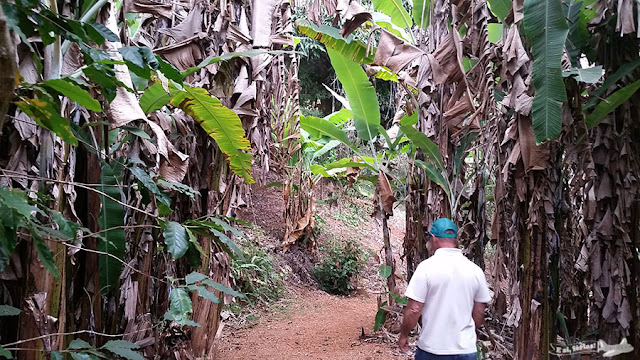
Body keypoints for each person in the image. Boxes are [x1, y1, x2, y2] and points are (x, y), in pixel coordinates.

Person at [398, 218, 491, 360]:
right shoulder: (475, 271)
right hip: (465, 350)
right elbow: (479, 311)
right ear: (456, 239)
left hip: (432, 349)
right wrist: (466, 334)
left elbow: (414, 309)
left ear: (434, 238)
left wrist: (404, 335)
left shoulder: (426, 268)